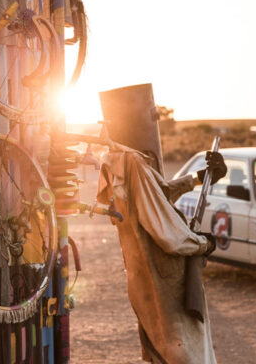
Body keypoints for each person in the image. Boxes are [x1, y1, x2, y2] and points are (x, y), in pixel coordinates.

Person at [97, 147, 227, 364]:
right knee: (185, 353)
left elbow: (158, 194)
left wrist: (201, 177)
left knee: (168, 351)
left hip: (148, 282)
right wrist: (204, 244)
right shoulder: (129, 162)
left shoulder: (121, 164)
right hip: (164, 284)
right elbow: (170, 238)